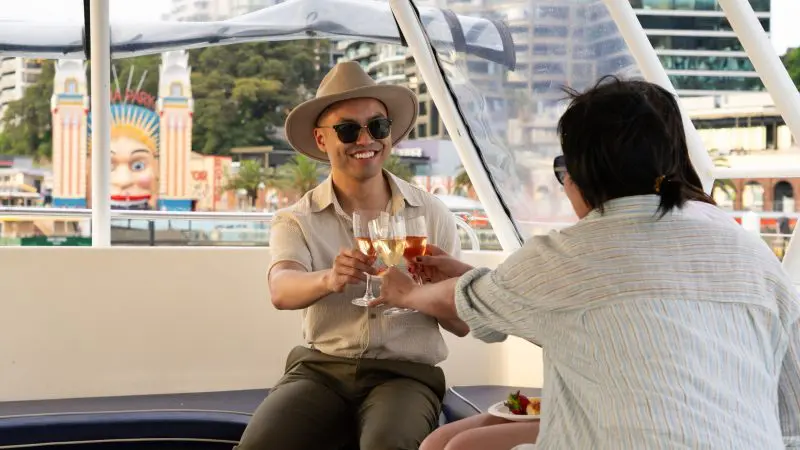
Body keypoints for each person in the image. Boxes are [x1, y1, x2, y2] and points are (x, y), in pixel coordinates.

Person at [374, 77, 800, 449]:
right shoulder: (754, 254)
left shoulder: (566, 255)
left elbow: (463, 302)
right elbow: (791, 408)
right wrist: (469, 277)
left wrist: (406, 292)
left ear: (581, 176)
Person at [235, 61, 467, 450]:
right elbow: (281, 288)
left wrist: (426, 294)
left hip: (406, 374)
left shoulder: (431, 213)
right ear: (322, 140)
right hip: (320, 370)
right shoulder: (296, 218)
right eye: (348, 129)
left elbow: (461, 325)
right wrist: (330, 278)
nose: (366, 139)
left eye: (378, 127)